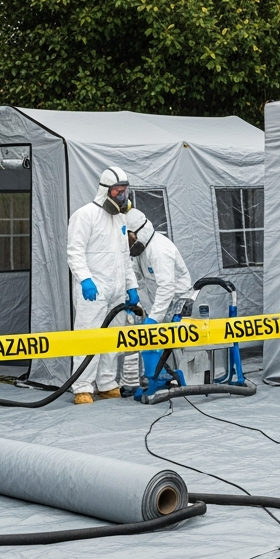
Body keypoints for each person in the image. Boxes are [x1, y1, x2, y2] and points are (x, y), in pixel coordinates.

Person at [68, 167, 141, 404]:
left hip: (116, 290)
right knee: (88, 338)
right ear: (105, 191)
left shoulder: (120, 218)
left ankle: (107, 383)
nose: (122, 196)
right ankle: (82, 387)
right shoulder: (85, 215)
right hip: (94, 290)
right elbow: (74, 252)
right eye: (118, 191)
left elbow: (124, 255)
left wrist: (131, 286)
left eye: (124, 191)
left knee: (112, 338)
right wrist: (85, 279)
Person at [127, 210, 194, 384]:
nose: (127, 243)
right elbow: (138, 278)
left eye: (129, 238)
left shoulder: (159, 250)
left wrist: (153, 318)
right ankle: (156, 377)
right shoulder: (139, 249)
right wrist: (132, 294)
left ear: (138, 232)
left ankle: (177, 379)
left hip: (176, 300)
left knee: (171, 343)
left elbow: (167, 288)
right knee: (151, 341)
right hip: (157, 299)